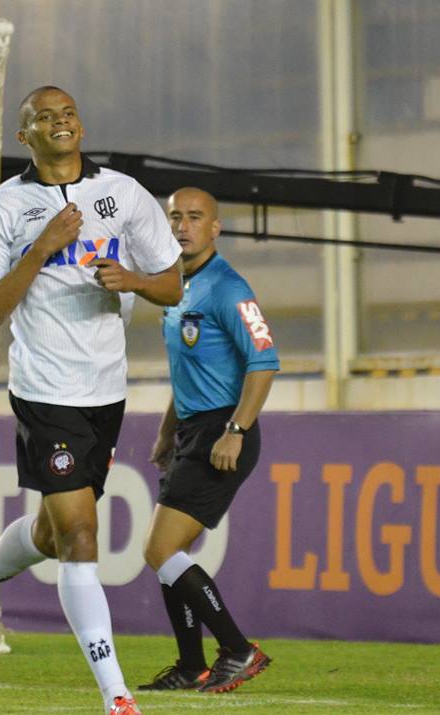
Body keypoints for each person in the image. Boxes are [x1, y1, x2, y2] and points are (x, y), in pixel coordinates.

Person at [0, 86, 183, 715]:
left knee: (51, 532)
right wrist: (42, 248)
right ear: (26, 136)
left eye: (68, 112)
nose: (61, 121)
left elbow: (173, 283)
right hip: (44, 390)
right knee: (79, 532)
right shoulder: (3, 208)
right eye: (44, 116)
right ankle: (117, 695)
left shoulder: (123, 194)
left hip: (106, 390)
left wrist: (130, 281)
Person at [138, 187, 278, 694]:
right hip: (193, 430)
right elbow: (187, 370)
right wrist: (166, 430)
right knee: (168, 553)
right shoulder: (176, 288)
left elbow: (264, 362)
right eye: (175, 216)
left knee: (160, 549)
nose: (183, 226)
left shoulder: (228, 287)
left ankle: (238, 650)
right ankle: (192, 665)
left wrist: (235, 432)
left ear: (215, 227)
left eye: (195, 217)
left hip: (224, 430)